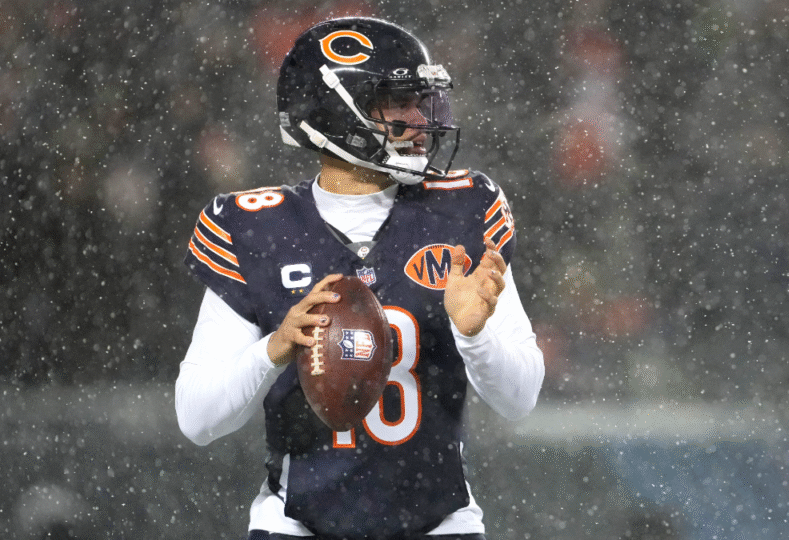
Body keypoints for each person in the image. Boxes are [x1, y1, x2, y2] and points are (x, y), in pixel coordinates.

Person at [175, 17, 545, 540]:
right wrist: (274, 349)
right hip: (295, 521)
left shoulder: (465, 208)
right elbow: (196, 418)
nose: (419, 119)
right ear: (335, 111)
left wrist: (474, 334)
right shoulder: (254, 226)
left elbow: (520, 398)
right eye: (397, 103)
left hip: (437, 522)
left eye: (421, 101)